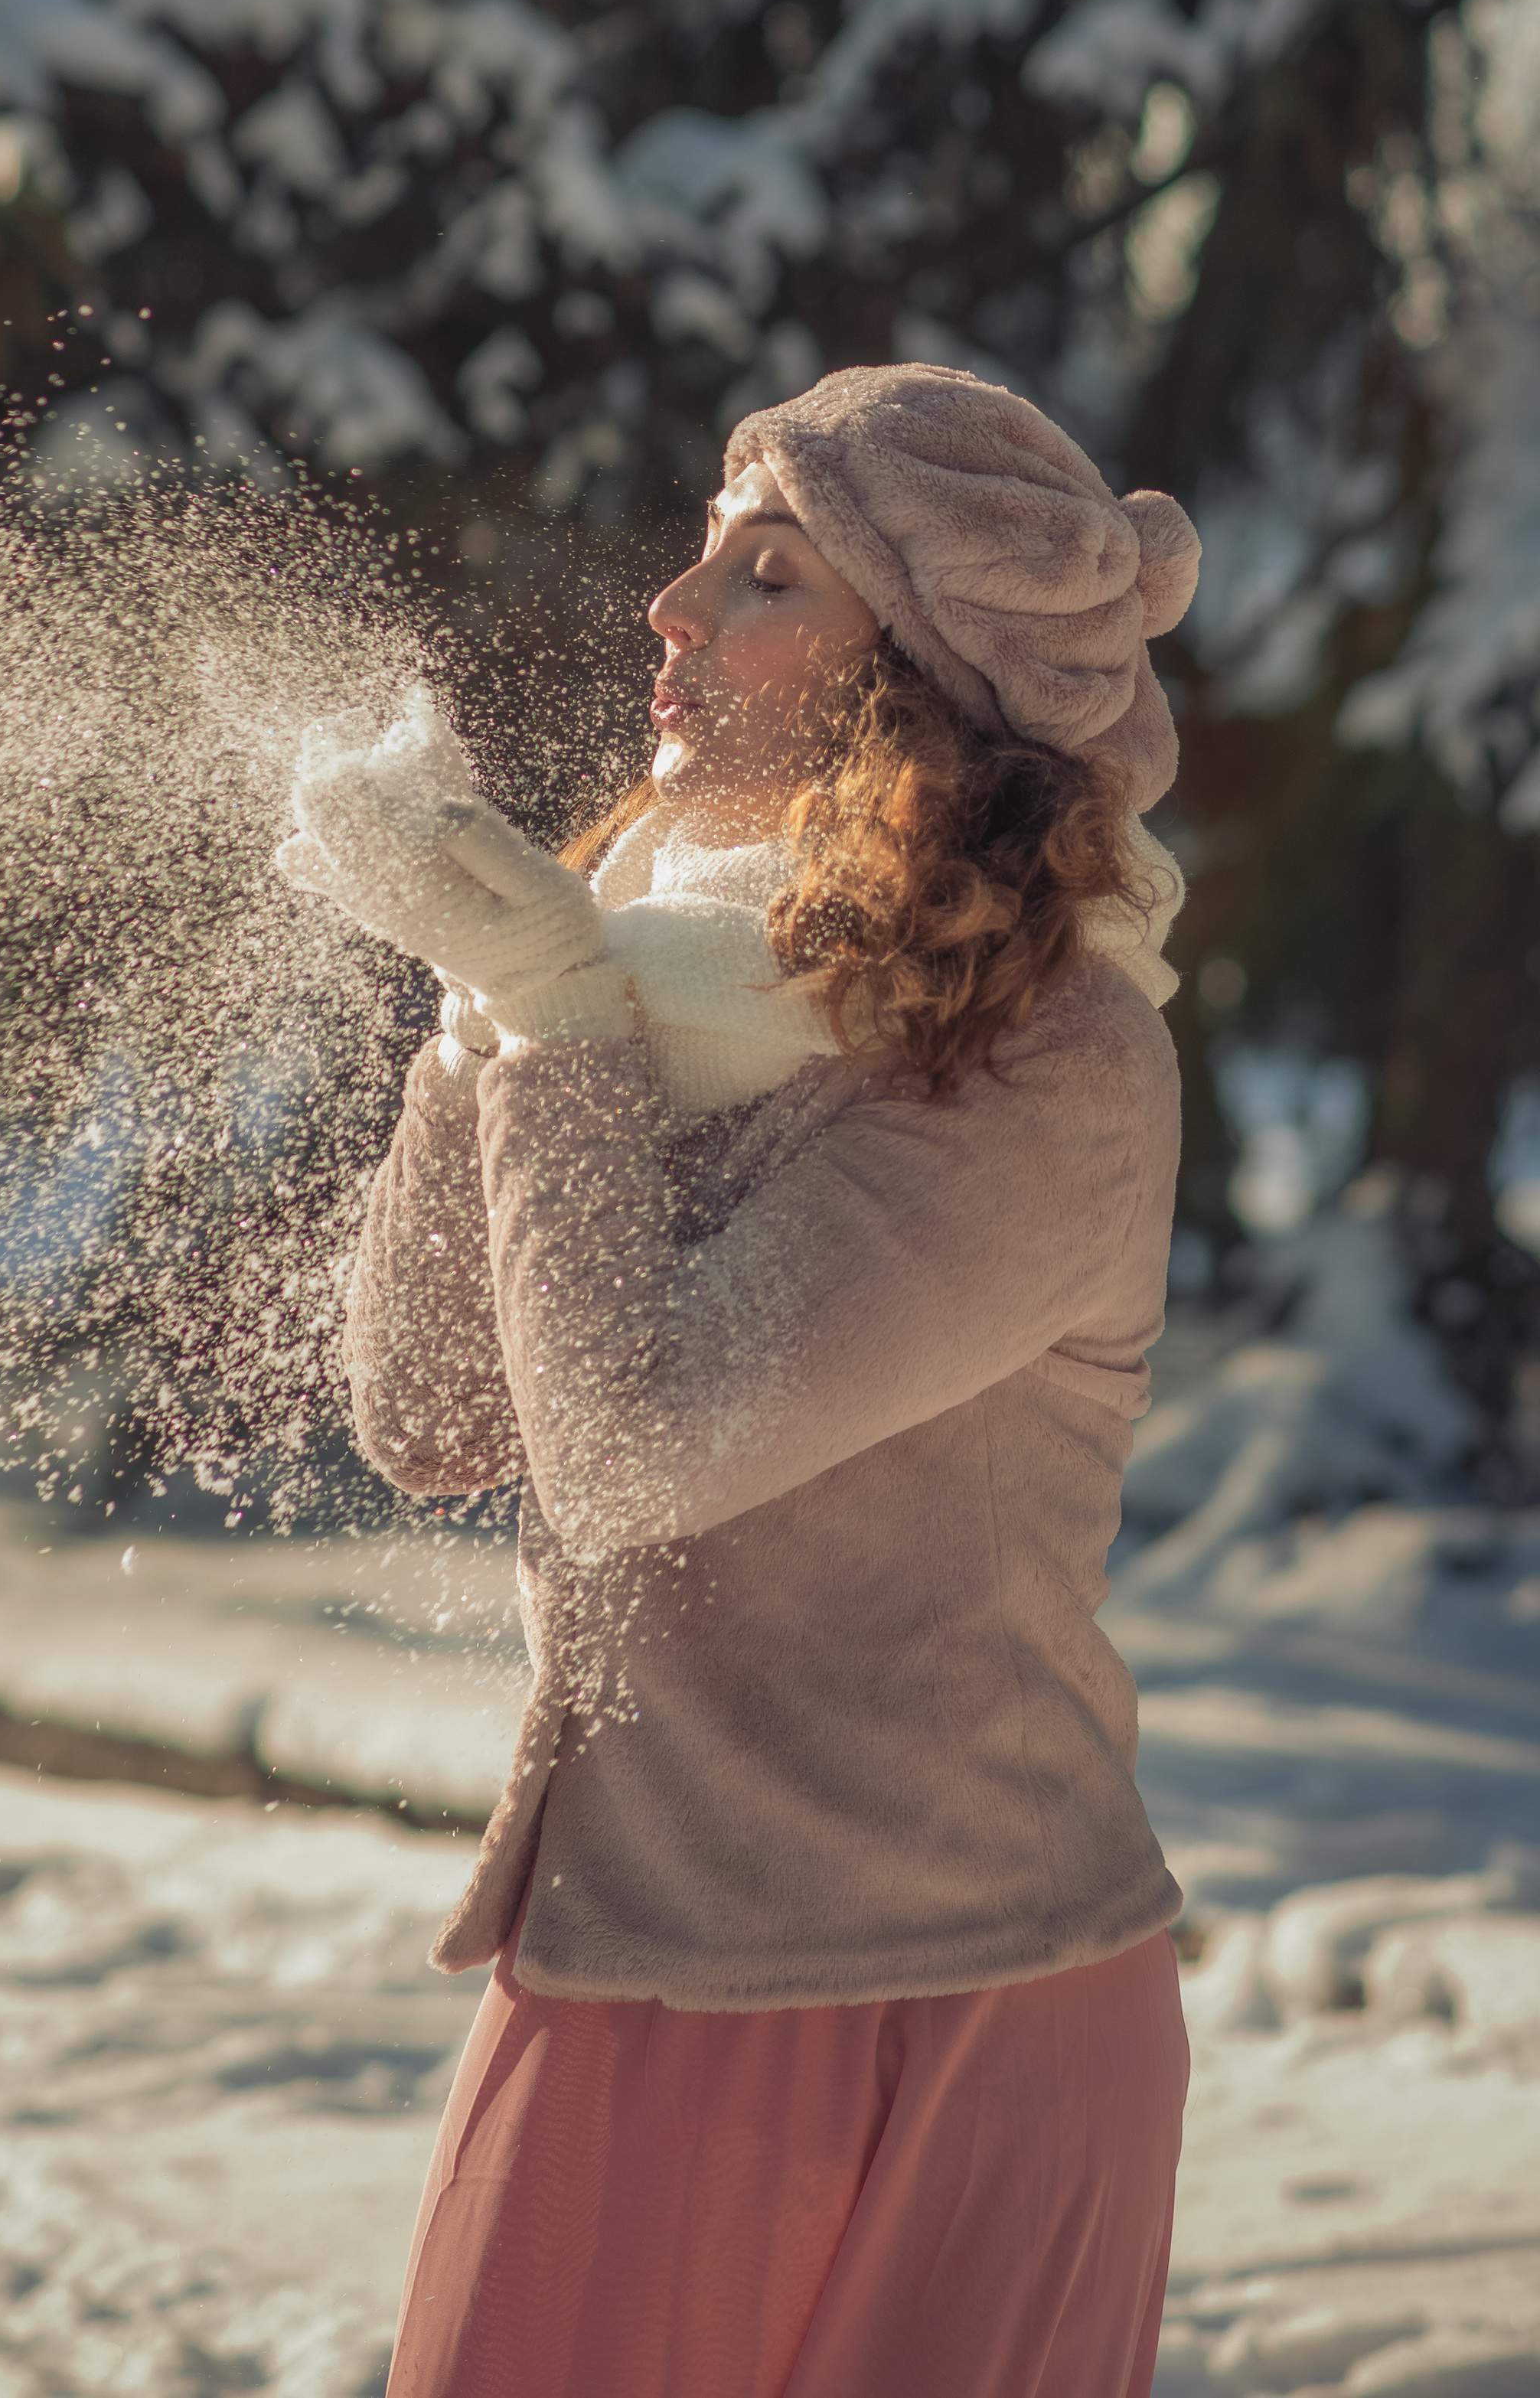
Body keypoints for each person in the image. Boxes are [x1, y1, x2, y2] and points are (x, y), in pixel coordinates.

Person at [276, 362, 1202, 2398]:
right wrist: (481, 1026)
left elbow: (629, 1448)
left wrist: (550, 1015)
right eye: (702, 546)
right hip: (628, 1957)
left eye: (764, 571)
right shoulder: (665, 981)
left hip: (965, 2010)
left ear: (925, 683)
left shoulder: (1051, 1066)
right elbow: (431, 1411)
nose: (670, 611)